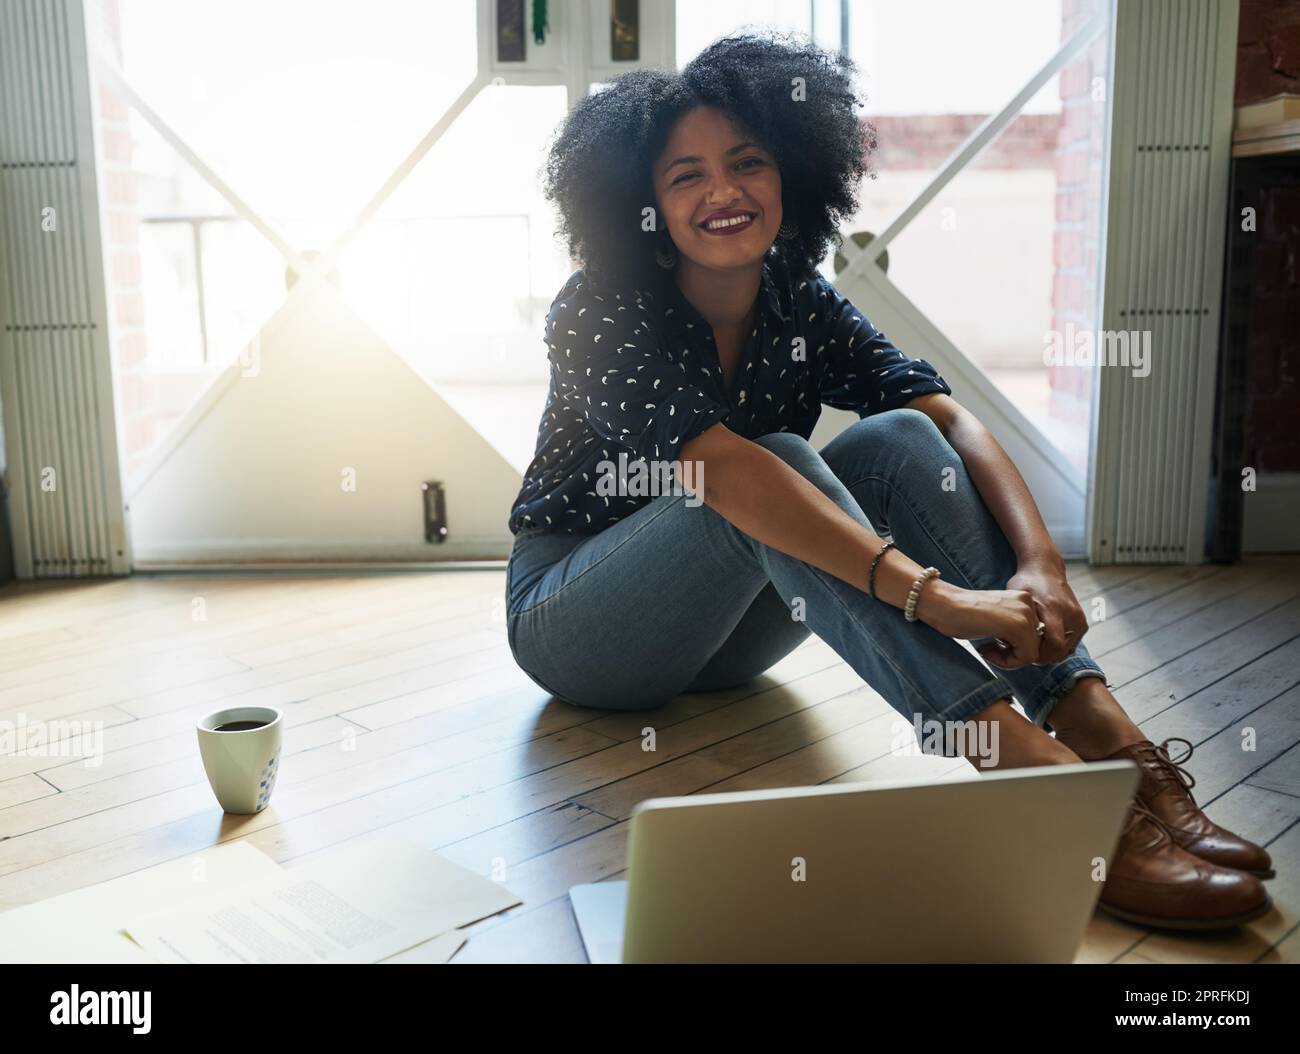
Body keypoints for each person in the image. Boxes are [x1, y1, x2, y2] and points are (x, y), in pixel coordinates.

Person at [504, 32, 1273, 931]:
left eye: (747, 161)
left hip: (734, 641)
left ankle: (1110, 740)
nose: (723, 192)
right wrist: (935, 599)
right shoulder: (598, 311)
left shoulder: (799, 295)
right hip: (581, 624)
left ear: (792, 172)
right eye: (685, 177)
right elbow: (724, 472)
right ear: (642, 206)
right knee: (770, 461)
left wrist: (1040, 566)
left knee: (898, 430)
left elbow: (949, 418)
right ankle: (1039, 780)